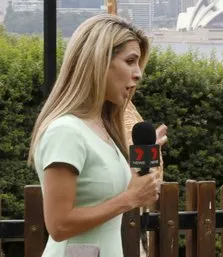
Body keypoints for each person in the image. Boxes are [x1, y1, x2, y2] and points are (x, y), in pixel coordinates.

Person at [27, 14, 165, 257]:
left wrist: (139, 174)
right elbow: (59, 226)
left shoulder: (102, 129)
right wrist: (130, 198)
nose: (138, 74)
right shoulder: (65, 132)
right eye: (130, 61)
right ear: (99, 62)